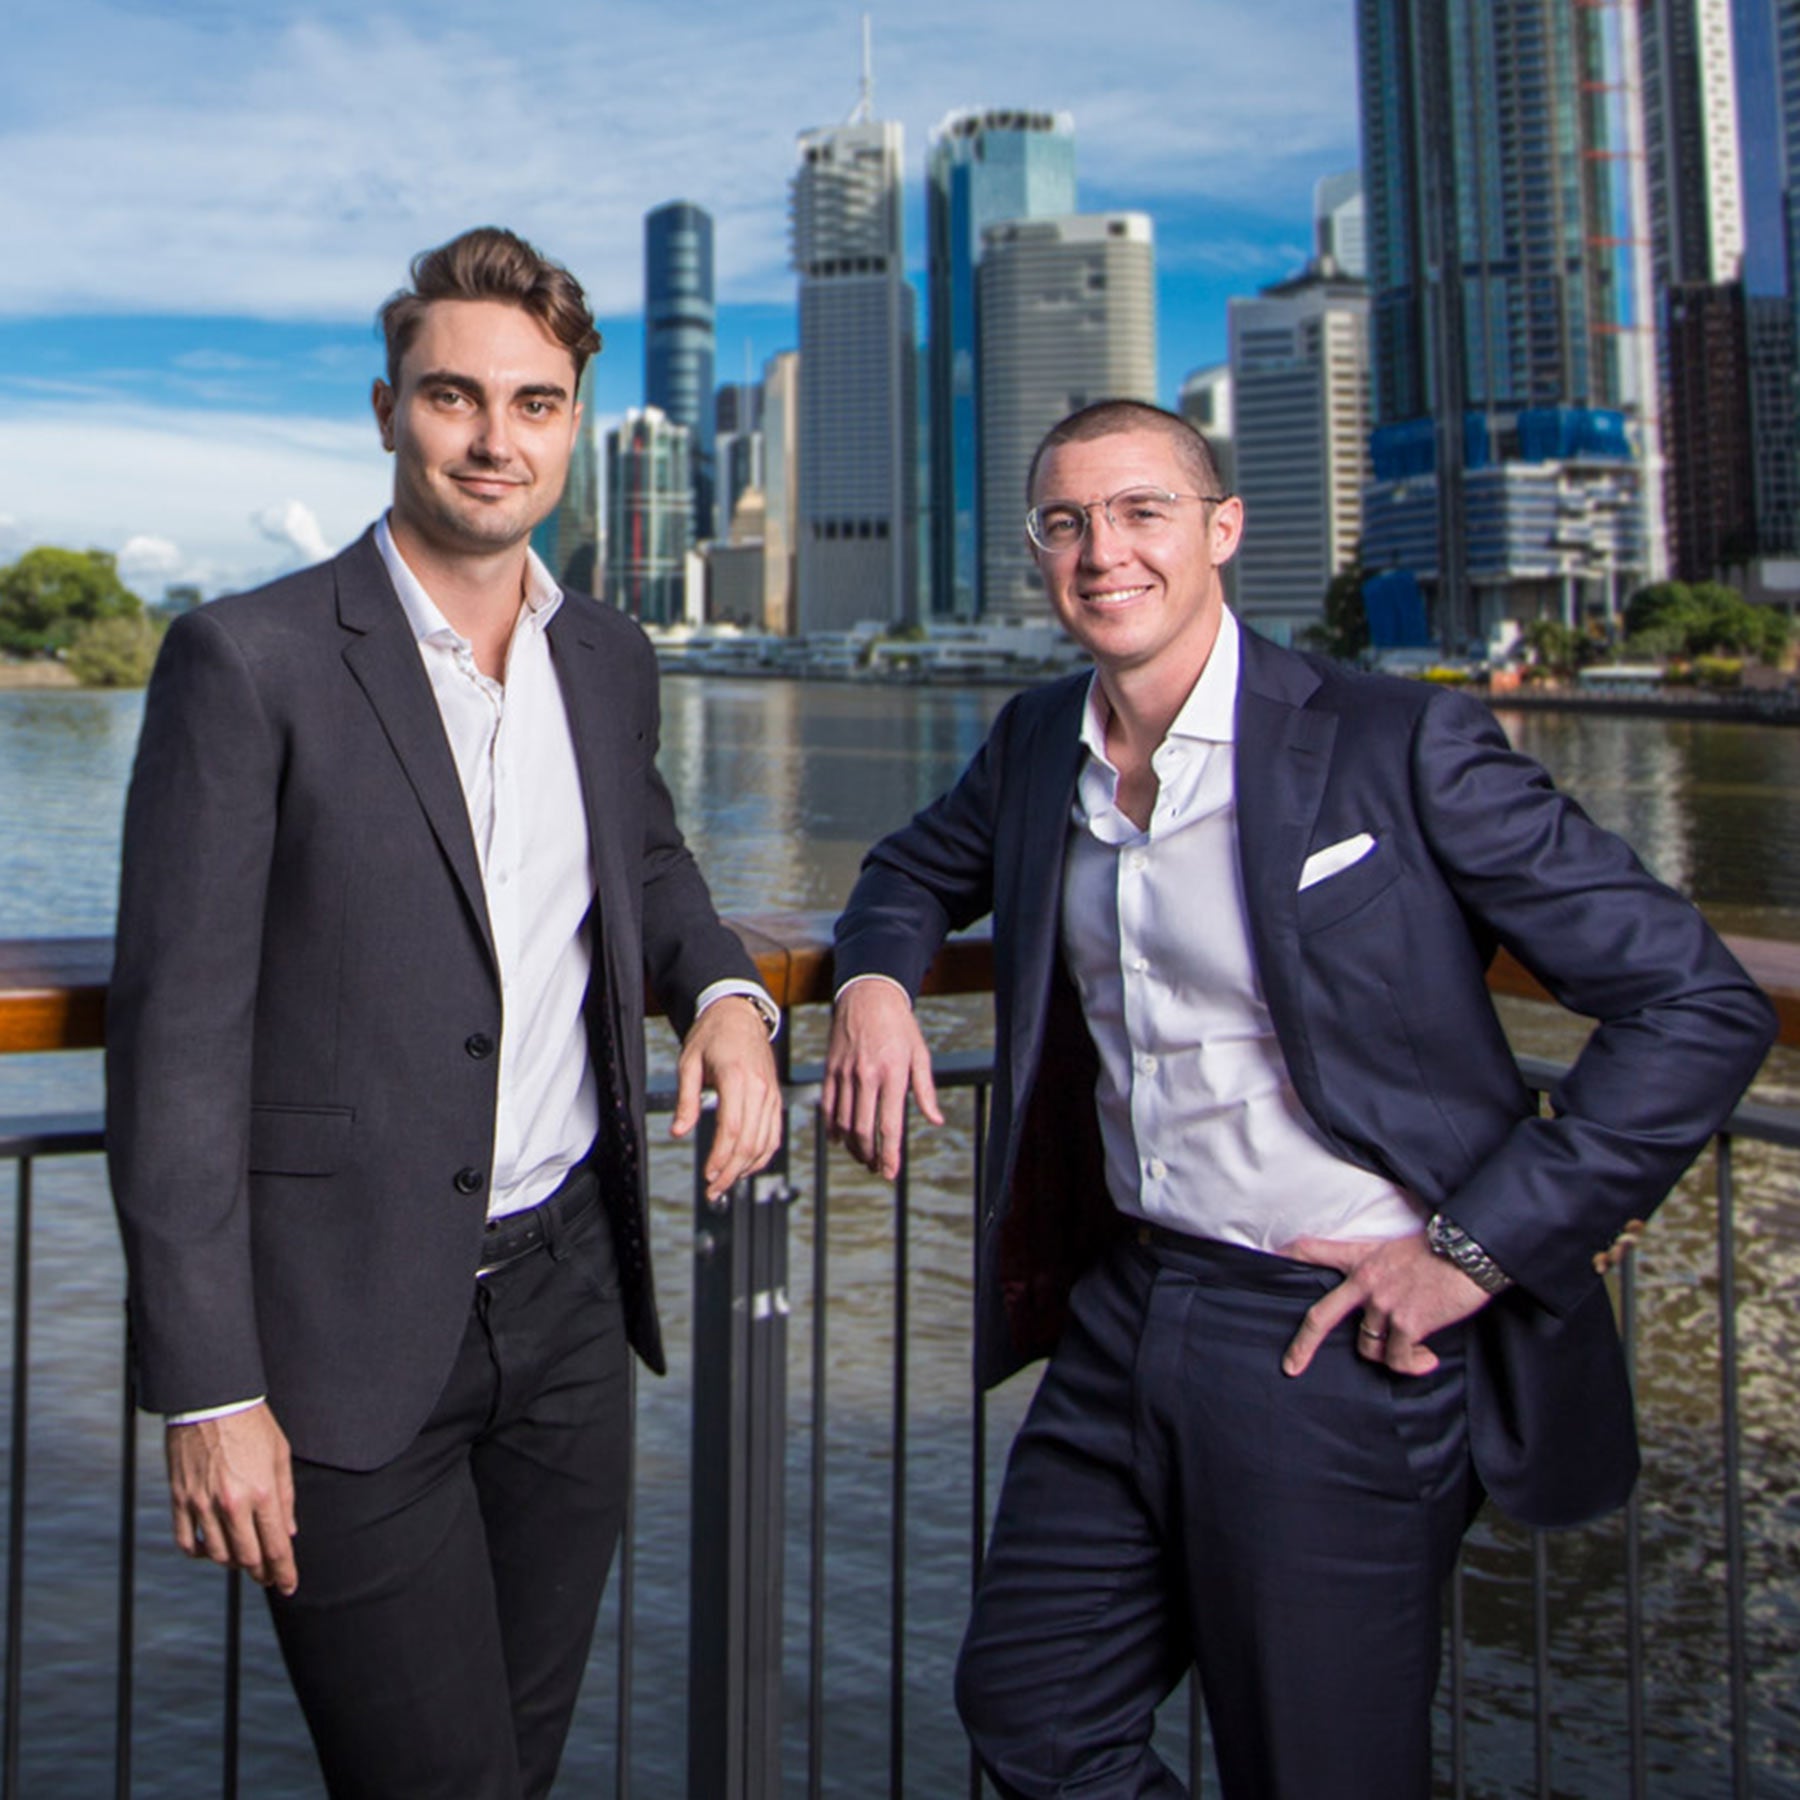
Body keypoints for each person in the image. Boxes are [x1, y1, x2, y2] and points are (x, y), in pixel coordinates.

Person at [823, 399, 1776, 1799]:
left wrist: (1477, 1248)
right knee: (1029, 1713)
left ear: (1221, 533)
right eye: (1067, 523)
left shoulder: (1399, 742)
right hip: (1127, 1304)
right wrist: (875, 987)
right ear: (1037, 554)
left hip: (1339, 1335)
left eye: (1142, 512)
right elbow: (907, 874)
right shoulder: (1037, 747)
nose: (1104, 552)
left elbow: (1698, 1003)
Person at [106, 226, 783, 1800]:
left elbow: (654, 859)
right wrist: (209, 1387)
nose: (496, 439)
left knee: (517, 1767)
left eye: (536, 404)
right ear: (386, 408)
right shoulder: (246, 658)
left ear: (576, 426)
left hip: (564, 1314)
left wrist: (732, 993)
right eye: (455, 397)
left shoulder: (606, 658)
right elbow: (179, 1043)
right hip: (338, 1331)